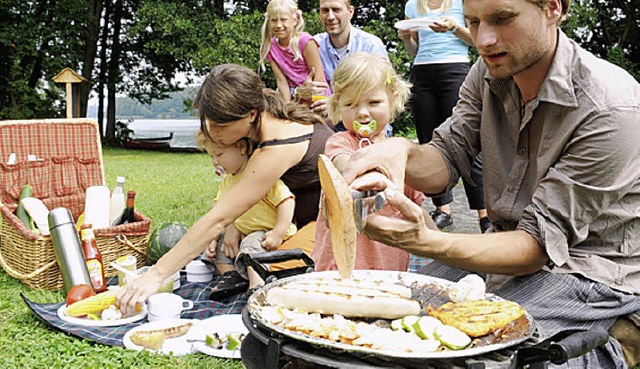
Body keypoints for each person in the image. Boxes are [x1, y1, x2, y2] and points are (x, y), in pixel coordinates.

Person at [342, 0, 640, 367]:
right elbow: (445, 159)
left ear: (553, 7)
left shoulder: (612, 108)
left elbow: (536, 246)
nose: (483, 39)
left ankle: (615, 341)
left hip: (591, 271)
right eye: (473, 22)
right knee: (381, 317)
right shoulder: (488, 71)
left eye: (502, 19)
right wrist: (399, 151)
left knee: (485, 353)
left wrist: (432, 242)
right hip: (504, 253)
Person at [116, 63, 334, 312]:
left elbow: (218, 217)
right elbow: (232, 205)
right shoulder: (263, 121)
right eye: (210, 124)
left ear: (251, 114)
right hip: (300, 219)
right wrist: (234, 227)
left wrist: (156, 274)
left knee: (268, 270)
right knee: (233, 250)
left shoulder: (275, 148)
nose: (214, 133)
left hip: (331, 225)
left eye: (220, 126)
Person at [398, 0, 489, 232]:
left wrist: (453, 28)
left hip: (455, 70)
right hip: (423, 72)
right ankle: (443, 208)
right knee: (429, 141)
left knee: (468, 142)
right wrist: (406, 39)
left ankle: (484, 216)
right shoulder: (414, 4)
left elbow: (477, 40)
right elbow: (415, 49)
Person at [312, 53, 427, 272]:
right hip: (341, 263)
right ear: (338, 105)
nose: (363, 113)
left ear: (392, 99)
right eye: (351, 104)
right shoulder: (340, 143)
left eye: (373, 102)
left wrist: (440, 244)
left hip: (388, 266)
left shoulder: (400, 155)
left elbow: (416, 208)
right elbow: (346, 166)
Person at [196, 132, 297, 289]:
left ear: (241, 147)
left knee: (250, 246)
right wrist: (213, 237)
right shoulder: (227, 181)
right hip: (243, 229)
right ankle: (231, 276)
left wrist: (278, 232)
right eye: (211, 157)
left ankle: (256, 286)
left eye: (219, 155)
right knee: (216, 245)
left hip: (266, 231)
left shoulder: (261, 174)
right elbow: (220, 210)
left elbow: (286, 201)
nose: (215, 162)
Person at [299, 0, 390, 118]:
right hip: (326, 126)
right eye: (325, 10)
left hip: (367, 123)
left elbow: (384, 94)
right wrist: (300, 91)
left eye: (336, 10)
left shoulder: (371, 46)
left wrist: (335, 107)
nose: (330, 17)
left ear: (350, 12)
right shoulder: (312, 46)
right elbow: (289, 89)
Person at [259, 0, 326, 103]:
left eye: (283, 20)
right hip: (294, 97)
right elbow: (281, 81)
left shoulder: (306, 42)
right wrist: (288, 108)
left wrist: (310, 103)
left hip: (315, 96)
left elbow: (319, 77)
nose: (279, 25)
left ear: (294, 20)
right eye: (274, 20)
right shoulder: (271, 47)